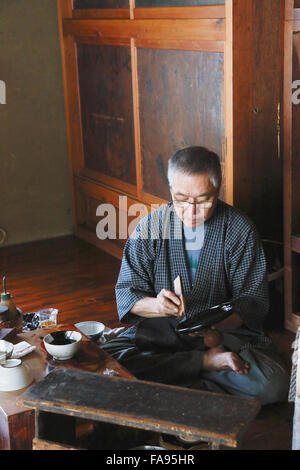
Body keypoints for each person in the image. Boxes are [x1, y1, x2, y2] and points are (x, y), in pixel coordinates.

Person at [102, 146, 289, 406]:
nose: (191, 211)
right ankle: (204, 367)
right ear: (170, 189)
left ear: (217, 189)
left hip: (223, 337)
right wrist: (156, 305)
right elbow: (127, 294)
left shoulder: (238, 229)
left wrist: (215, 331)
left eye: (203, 201)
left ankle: (171, 384)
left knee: (273, 383)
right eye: (180, 199)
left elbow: (251, 301)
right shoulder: (150, 227)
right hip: (164, 334)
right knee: (106, 359)